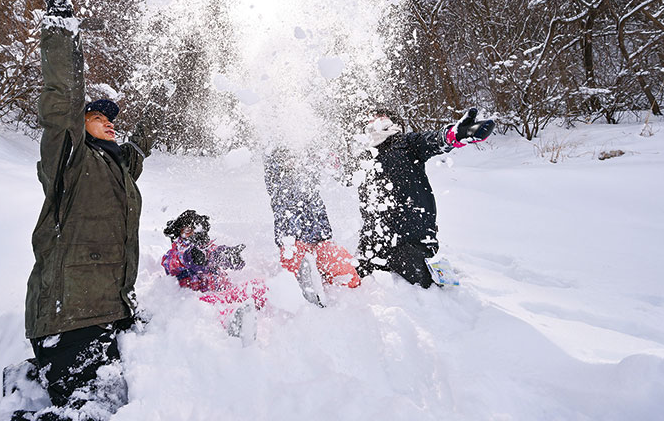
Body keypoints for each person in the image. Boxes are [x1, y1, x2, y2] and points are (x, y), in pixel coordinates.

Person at [17, 0, 164, 421]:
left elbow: (139, 149)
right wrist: (61, 22)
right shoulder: (71, 158)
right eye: (98, 118)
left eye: (112, 120)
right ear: (80, 125)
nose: (110, 123)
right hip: (72, 314)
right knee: (92, 412)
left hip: (108, 311)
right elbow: (61, 102)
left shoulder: (118, 169)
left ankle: (27, 383)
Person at [353, 108, 493, 288]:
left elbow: (433, 140)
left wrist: (454, 135)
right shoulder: (364, 158)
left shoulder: (406, 143)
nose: (375, 120)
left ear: (392, 121)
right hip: (373, 245)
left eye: (381, 116)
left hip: (410, 240)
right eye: (371, 117)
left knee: (428, 290)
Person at [263, 147, 360, 304]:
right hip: (292, 241)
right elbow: (272, 172)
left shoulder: (309, 149)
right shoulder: (277, 173)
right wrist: (283, 157)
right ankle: (309, 303)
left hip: (320, 239)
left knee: (350, 278)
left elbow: (341, 173)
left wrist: (332, 159)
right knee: (295, 288)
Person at [160, 210, 268, 339]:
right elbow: (174, 263)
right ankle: (235, 324)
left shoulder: (208, 250)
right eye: (188, 231)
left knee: (258, 286)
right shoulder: (174, 254)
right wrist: (191, 256)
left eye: (196, 230)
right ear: (178, 234)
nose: (193, 235)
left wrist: (230, 257)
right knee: (210, 308)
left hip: (226, 293)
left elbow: (215, 254)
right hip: (204, 300)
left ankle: (256, 310)